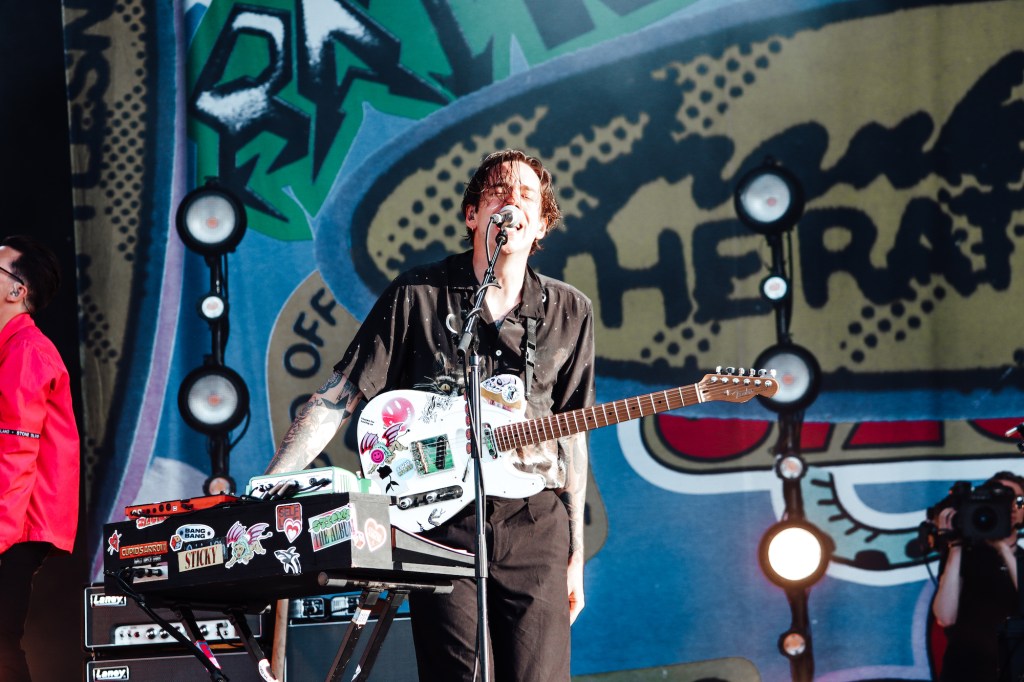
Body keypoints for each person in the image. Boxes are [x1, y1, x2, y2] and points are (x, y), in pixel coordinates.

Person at [265, 149, 594, 681]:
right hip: (439, 521)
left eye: (526, 196)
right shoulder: (418, 294)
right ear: (472, 215)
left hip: (534, 525)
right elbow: (338, 397)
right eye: (498, 193)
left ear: (541, 226)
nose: (512, 202)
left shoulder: (569, 310)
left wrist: (575, 556)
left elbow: (572, 437)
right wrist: (272, 483)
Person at [0, 235, 80, 681]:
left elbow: (15, 451)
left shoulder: (27, 351)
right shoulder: (12, 346)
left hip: (18, 521)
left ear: (17, 290)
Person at [932, 471, 1024, 681]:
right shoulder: (962, 556)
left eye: (1017, 499)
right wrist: (955, 546)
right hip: (963, 672)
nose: (1010, 506)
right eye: (1001, 498)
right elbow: (945, 617)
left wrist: (1002, 547)